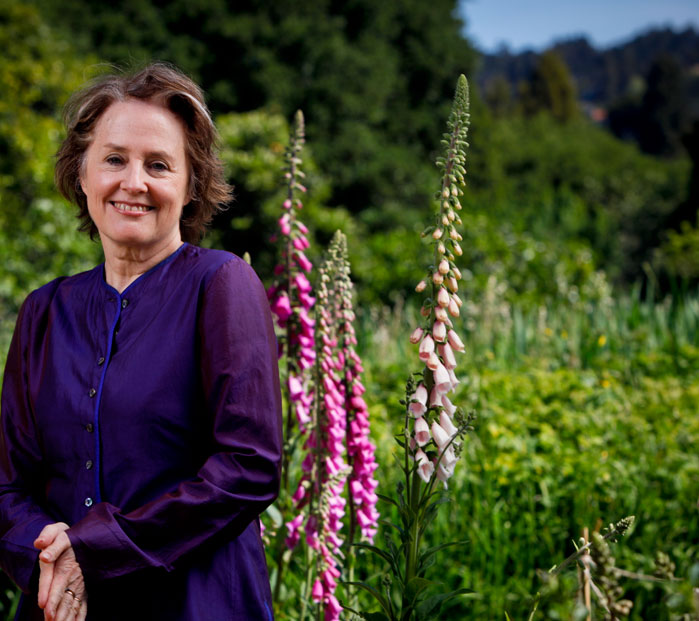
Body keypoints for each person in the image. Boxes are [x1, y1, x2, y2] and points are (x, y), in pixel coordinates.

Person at [0, 63, 283, 621]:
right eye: (114, 159)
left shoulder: (221, 284)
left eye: (158, 165)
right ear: (81, 175)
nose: (133, 182)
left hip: (195, 604)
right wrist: (48, 553)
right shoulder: (44, 310)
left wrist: (96, 549)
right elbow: (7, 484)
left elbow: (249, 465)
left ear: (191, 183)